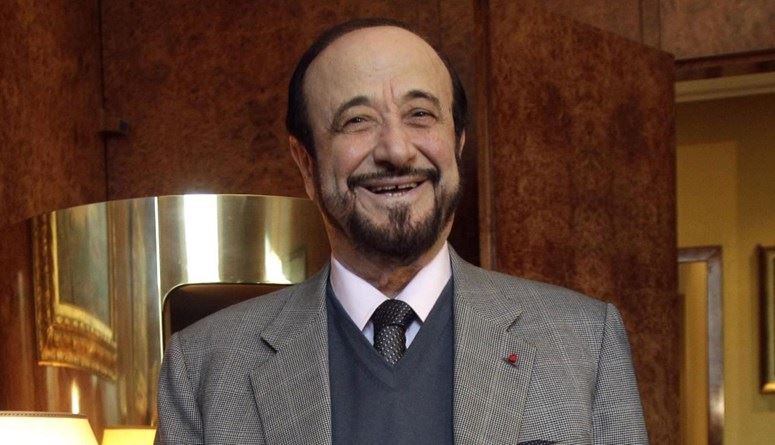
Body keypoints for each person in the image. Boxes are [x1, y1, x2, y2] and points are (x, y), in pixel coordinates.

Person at [156, 18, 648, 445]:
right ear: (306, 163)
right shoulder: (204, 368)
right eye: (357, 120)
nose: (396, 149)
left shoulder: (584, 342)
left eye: (420, 115)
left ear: (457, 143)